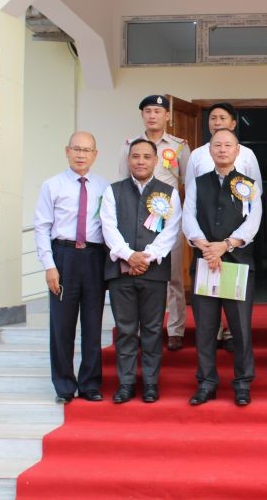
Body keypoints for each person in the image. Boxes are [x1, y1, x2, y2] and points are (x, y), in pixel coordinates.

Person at [183, 129, 262, 407]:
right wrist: (206, 247)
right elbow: (188, 217)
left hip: (237, 262)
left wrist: (226, 245)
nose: (223, 149)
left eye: (228, 145)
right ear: (210, 150)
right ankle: (206, 382)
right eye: (217, 145)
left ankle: (242, 383)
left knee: (240, 328)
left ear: (237, 150)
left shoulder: (248, 185)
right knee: (205, 327)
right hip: (205, 261)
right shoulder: (198, 183)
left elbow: (253, 220)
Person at [101, 138, 182, 404]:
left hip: (154, 273)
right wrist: (129, 256)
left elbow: (171, 230)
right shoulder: (113, 191)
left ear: (156, 161)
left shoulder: (169, 193)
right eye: (135, 156)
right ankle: (125, 384)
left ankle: (150, 383)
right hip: (121, 273)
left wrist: (147, 257)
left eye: (147, 157)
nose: (140, 161)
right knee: (125, 330)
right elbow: (108, 228)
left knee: (152, 330)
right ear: (128, 160)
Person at [33, 131, 109, 404]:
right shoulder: (52, 185)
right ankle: (64, 385)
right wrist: (49, 266)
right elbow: (41, 227)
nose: (81, 155)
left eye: (86, 150)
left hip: (94, 257)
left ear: (95, 155)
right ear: (67, 151)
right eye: (76, 149)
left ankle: (90, 384)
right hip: (63, 256)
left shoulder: (104, 187)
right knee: (62, 326)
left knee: (93, 324)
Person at [121, 95, 191, 352]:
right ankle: (142, 328)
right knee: (139, 275)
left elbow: (189, 184)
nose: (152, 116)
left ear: (167, 116)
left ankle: (175, 329)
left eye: (158, 111)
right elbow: (123, 184)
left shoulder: (179, 147)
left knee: (173, 278)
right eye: (148, 111)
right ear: (142, 115)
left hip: (168, 220)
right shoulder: (129, 145)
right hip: (138, 220)